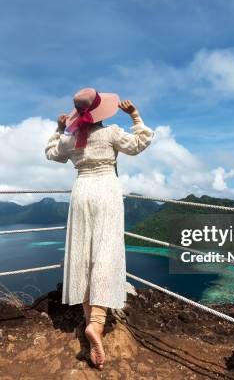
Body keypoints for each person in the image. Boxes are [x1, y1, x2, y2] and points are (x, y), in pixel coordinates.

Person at [45, 87, 154, 370]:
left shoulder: (71, 140)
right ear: (101, 111)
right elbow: (139, 144)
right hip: (106, 191)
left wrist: (58, 129)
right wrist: (135, 115)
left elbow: (51, 153)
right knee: (105, 253)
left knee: (82, 253)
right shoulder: (111, 132)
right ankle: (97, 322)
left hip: (82, 192)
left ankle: (87, 322)